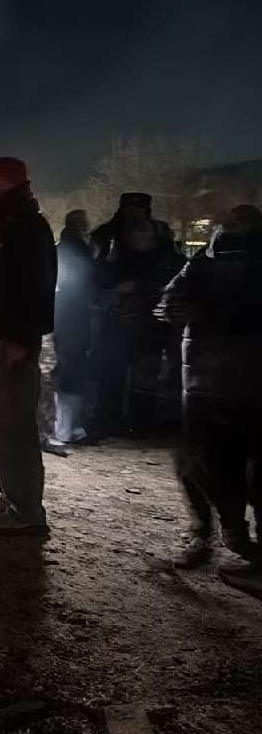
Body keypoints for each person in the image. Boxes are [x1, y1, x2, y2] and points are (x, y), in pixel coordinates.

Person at [156, 205, 262, 568]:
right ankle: (221, 534)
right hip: (203, 380)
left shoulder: (223, 262)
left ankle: (231, 539)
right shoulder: (204, 260)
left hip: (241, 381)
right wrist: (176, 308)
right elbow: (171, 299)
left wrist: (207, 312)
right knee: (204, 460)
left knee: (234, 463)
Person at [0, 157, 56, 535]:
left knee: (13, 424)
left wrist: (22, 338)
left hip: (15, 338)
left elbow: (35, 285)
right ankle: (10, 496)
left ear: (12, 182)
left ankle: (27, 510)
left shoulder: (28, 226)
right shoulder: (1, 221)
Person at [92, 211, 185, 441]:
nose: (139, 241)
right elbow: (99, 284)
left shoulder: (166, 260)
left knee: (145, 381)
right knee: (113, 375)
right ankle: (109, 421)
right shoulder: (117, 258)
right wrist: (115, 290)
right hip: (119, 327)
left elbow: (173, 285)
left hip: (150, 329)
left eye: (144, 237)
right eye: (134, 236)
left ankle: (140, 424)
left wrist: (143, 288)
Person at [53, 210, 94, 447]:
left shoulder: (64, 249)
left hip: (66, 315)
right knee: (71, 368)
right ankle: (66, 428)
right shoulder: (76, 251)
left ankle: (67, 427)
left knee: (70, 367)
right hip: (73, 317)